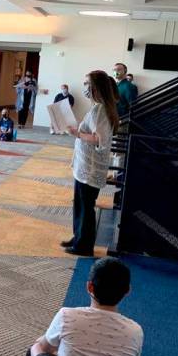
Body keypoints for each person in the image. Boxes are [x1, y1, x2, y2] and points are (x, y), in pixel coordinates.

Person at [62, 70, 118, 255]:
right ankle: (78, 236)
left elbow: (98, 138)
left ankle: (84, 246)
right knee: (80, 203)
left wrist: (77, 133)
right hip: (85, 165)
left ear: (96, 87)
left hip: (90, 167)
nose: (85, 87)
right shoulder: (99, 107)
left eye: (87, 84)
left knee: (86, 206)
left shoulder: (100, 109)